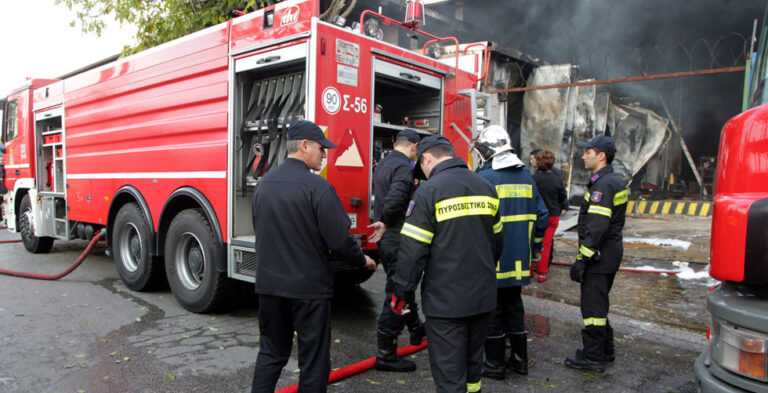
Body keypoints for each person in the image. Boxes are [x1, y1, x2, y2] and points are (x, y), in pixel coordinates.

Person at [250, 120, 377, 393]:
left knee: (271, 353)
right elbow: (340, 241)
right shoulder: (318, 188)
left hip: (269, 287)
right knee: (314, 360)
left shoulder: (263, 185)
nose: (325, 154)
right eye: (321, 148)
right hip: (308, 289)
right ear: (305, 146)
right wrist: (362, 261)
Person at [392, 135, 502, 393]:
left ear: (428, 159)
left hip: (446, 303)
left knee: (450, 375)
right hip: (483, 298)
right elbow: (497, 244)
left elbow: (412, 252)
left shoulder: (428, 192)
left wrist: (402, 291)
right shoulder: (485, 186)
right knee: (473, 369)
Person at [473, 126, 548, 380]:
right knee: (514, 306)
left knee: (492, 309)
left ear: (488, 151)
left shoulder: (484, 179)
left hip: (492, 261)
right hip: (519, 261)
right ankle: (519, 361)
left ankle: (493, 365)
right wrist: (535, 248)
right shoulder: (526, 177)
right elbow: (543, 216)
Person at [564, 135, 629, 373]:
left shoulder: (603, 185)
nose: (583, 156)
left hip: (600, 257)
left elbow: (597, 226)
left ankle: (593, 357)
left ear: (601, 155)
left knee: (592, 310)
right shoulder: (613, 181)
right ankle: (605, 349)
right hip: (609, 254)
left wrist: (583, 259)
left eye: (587, 152)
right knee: (599, 304)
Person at [368, 129, 426, 372]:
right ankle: (386, 353)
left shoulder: (383, 164)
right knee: (397, 291)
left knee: (403, 286)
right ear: (413, 146)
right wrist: (388, 221)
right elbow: (394, 201)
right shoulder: (405, 168)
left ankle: (416, 329)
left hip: (389, 238)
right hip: (398, 235)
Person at [532, 149, 568, 283]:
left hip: (537, 215)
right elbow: (562, 195)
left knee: (532, 242)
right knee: (546, 244)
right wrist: (564, 207)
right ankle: (542, 272)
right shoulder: (556, 178)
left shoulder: (533, 178)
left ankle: (530, 269)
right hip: (553, 216)